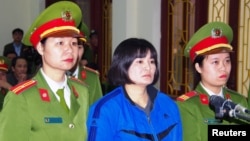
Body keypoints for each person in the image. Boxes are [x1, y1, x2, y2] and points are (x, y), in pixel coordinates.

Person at [0, 1, 89, 141]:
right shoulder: (22, 97)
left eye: (73, 43)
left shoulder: (81, 91)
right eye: (60, 43)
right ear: (41, 48)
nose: (69, 49)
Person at [87, 38, 182, 141]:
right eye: (140, 61)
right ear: (123, 65)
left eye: (151, 61)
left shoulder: (168, 104)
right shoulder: (106, 109)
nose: (148, 67)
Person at [176, 21, 249, 141]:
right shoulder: (188, 106)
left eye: (227, 61)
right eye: (215, 62)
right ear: (198, 67)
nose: (223, 67)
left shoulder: (239, 101)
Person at [67, 23, 103, 105]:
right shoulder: (52, 77)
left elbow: (97, 113)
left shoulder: (92, 78)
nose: (73, 52)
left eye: (79, 47)